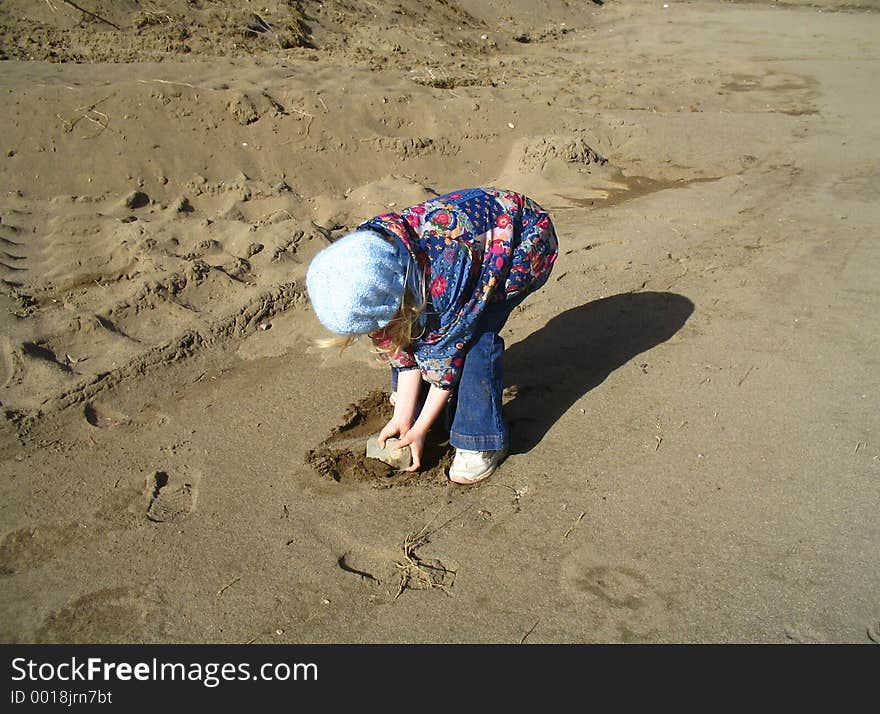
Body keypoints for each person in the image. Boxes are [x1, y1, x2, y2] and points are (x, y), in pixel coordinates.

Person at [306, 187, 558, 484]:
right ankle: (417, 401)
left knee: (475, 339)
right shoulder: (369, 255)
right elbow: (397, 341)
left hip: (520, 242)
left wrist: (421, 428)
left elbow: (448, 354)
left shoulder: (443, 285)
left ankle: (479, 438)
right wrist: (403, 416)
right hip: (465, 244)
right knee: (413, 330)